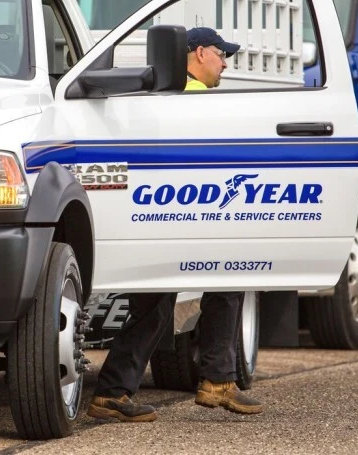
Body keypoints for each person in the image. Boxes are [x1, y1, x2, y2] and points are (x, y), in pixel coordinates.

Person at [87, 27, 265, 423]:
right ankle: (217, 382)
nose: (225, 63)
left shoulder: (162, 94)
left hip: (159, 216)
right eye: (221, 54)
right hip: (186, 215)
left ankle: (112, 393)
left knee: (156, 307)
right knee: (229, 275)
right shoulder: (197, 99)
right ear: (199, 53)